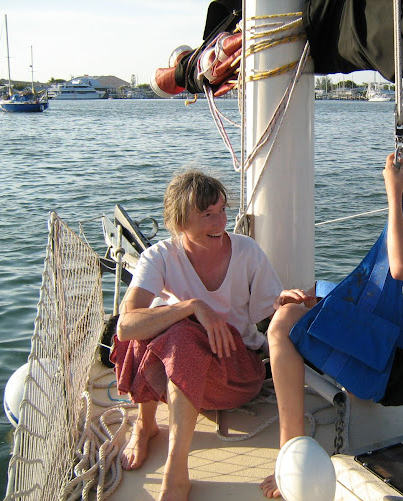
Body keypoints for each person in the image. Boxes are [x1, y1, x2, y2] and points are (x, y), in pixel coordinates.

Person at [260, 149, 403, 498]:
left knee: (281, 324)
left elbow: (399, 267)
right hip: (402, 365)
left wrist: (393, 193)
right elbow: (385, 290)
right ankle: (342, 382)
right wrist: (315, 293)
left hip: (400, 367)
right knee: (305, 305)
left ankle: (291, 456)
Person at [111, 169, 308, 501]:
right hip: (184, 371)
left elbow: (268, 312)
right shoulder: (160, 256)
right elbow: (125, 326)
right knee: (153, 325)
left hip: (236, 373)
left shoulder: (247, 252)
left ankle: (176, 473)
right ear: (180, 220)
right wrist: (193, 306)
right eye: (207, 215)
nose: (220, 223)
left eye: (222, 211)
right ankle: (146, 425)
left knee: (176, 335)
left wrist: (284, 302)